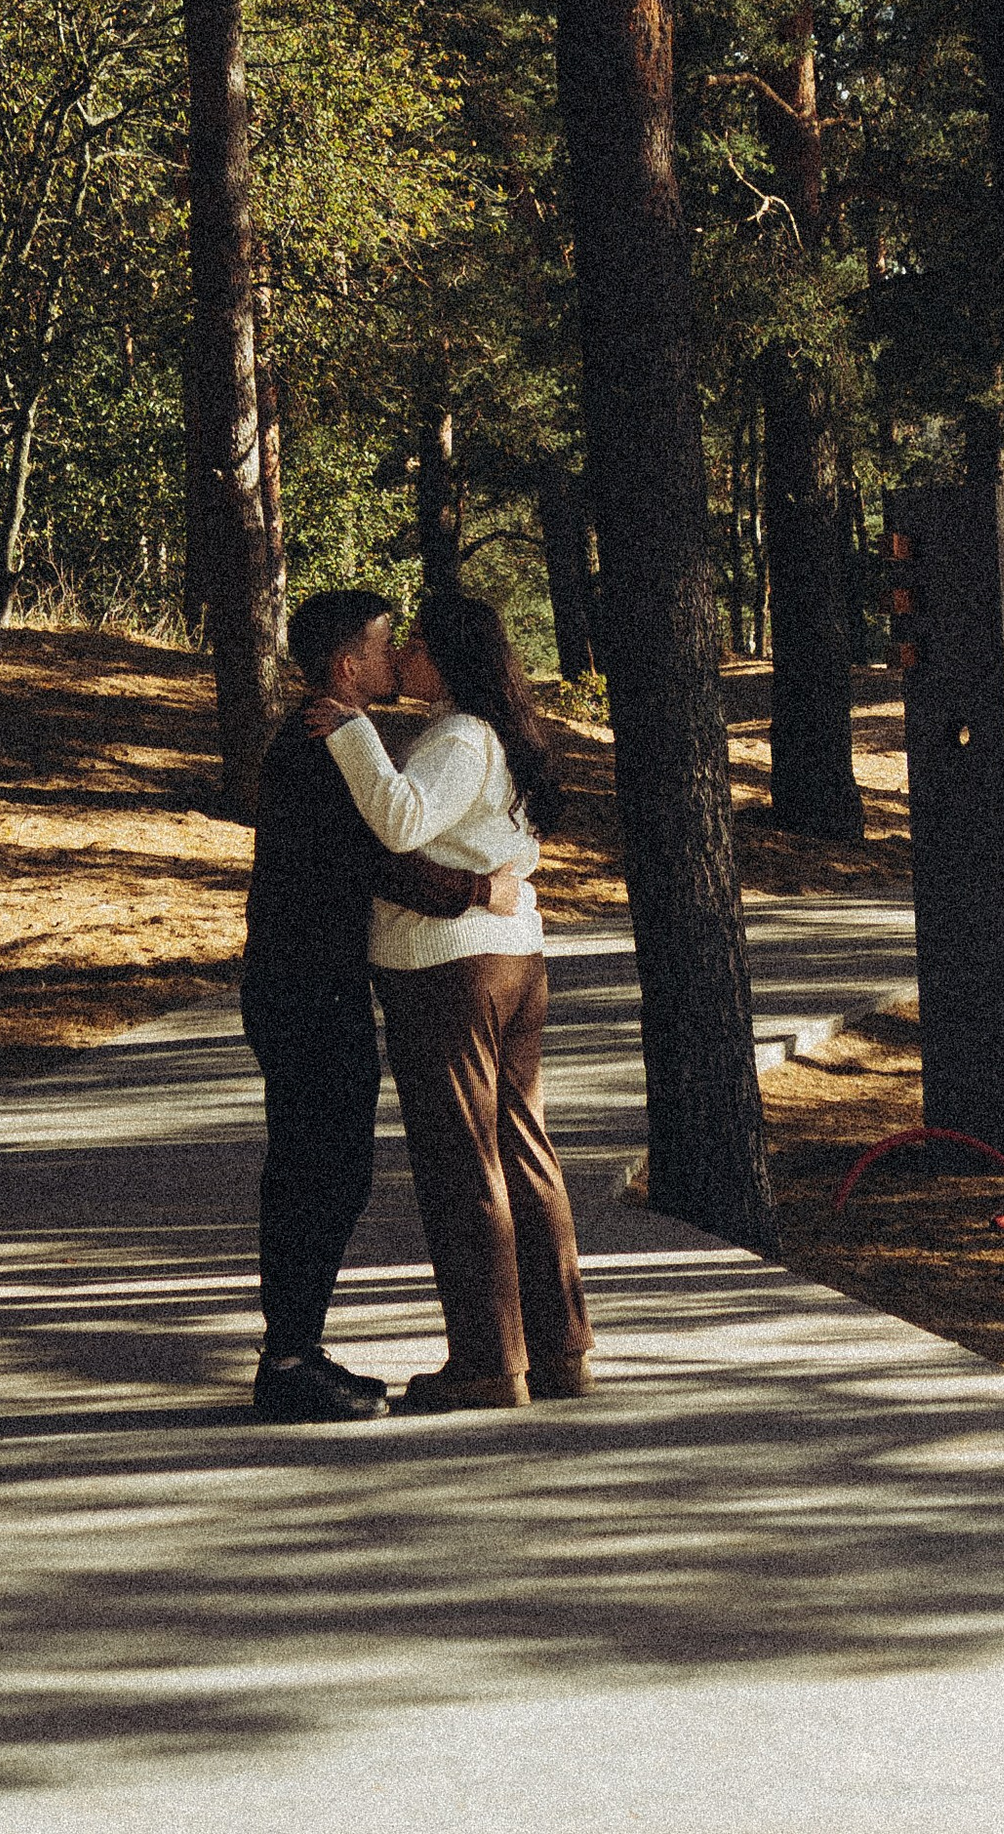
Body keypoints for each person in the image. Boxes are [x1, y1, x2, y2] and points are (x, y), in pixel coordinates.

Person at [241, 585, 528, 1423]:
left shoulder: (336, 739)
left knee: (330, 1171)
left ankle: (298, 1347)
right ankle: (286, 1362)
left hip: (318, 985)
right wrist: (483, 887)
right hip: (303, 990)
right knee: (316, 1173)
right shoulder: (320, 743)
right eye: (383, 642)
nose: (395, 654)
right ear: (345, 664)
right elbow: (385, 863)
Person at [307, 582, 594, 1414]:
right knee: (524, 1151)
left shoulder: (462, 734)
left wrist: (352, 730)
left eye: (417, 645)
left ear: (453, 658)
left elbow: (399, 822)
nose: (402, 657)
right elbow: (492, 843)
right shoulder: (487, 732)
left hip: (449, 970)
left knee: (462, 1162)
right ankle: (559, 1349)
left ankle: (486, 1361)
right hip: (512, 962)